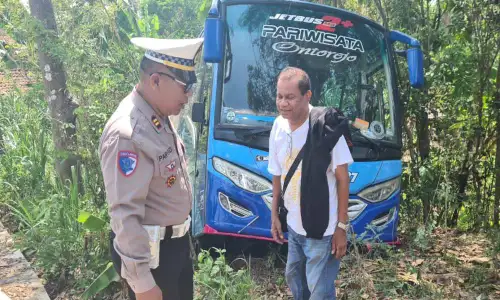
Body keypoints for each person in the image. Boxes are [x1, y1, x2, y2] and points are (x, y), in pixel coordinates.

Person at [98, 37, 203, 300]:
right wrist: (142, 281)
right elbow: (124, 213)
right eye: (185, 86)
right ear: (156, 81)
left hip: (174, 248)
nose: (188, 95)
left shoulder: (158, 117)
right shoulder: (129, 133)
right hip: (154, 261)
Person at [268, 66, 353, 299]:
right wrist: (275, 213)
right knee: (295, 280)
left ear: (308, 96)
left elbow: (342, 178)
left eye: (290, 97)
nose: (283, 103)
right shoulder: (278, 126)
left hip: (322, 231)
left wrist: (341, 228)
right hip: (295, 227)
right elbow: (277, 172)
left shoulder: (326, 127)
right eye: (280, 96)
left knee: (319, 292)